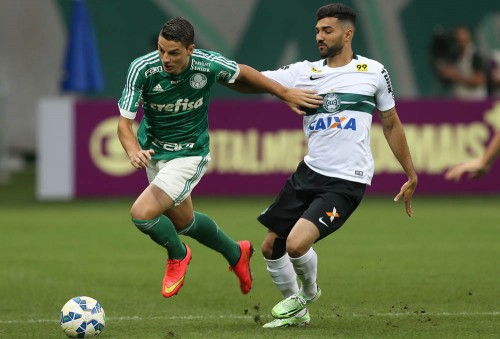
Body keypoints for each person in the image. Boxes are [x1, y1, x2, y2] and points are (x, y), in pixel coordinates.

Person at [228, 3, 418, 328]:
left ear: (348, 33)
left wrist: (411, 174)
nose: (319, 36)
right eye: (317, 30)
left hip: (347, 179)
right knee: (271, 247)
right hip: (310, 171)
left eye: (327, 30)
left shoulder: (373, 72)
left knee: (297, 243)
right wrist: (224, 72)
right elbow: (249, 81)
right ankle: (298, 314)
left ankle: (308, 293)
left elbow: (391, 123)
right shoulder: (303, 73)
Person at [116, 17, 323, 299]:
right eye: (161, 50)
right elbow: (124, 123)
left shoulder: (207, 64)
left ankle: (178, 254)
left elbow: (245, 74)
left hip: (189, 154)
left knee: (142, 215)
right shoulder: (142, 68)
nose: (165, 58)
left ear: (190, 49)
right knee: (183, 222)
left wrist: (284, 93)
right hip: (154, 153)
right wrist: (132, 151)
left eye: (174, 52)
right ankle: (236, 252)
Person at [434, 25, 488, 99]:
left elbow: (479, 80)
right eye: (457, 35)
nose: (459, 37)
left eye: (462, 34)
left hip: (475, 101)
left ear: (468, 36)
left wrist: (455, 76)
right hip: (459, 100)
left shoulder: (476, 56)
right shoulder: (454, 56)